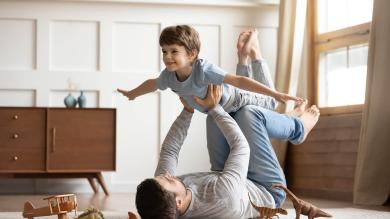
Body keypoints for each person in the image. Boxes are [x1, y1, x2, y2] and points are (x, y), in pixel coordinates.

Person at [135, 84, 320, 219]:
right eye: (168, 180)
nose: (169, 175)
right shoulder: (222, 197)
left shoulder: (162, 194)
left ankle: (282, 119)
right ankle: (298, 128)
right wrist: (214, 108)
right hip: (266, 189)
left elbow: (169, 151)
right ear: (178, 203)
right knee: (248, 114)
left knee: (216, 117)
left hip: (225, 176)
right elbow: (241, 147)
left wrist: (187, 110)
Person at [117, 25, 302, 115]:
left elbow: (237, 81)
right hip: (223, 108)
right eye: (164, 51)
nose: (167, 57)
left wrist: (275, 93)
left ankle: (254, 53)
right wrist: (133, 93)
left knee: (272, 104)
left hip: (236, 99)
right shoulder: (169, 76)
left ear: (191, 54)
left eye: (174, 51)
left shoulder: (203, 69)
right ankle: (244, 55)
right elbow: (153, 84)